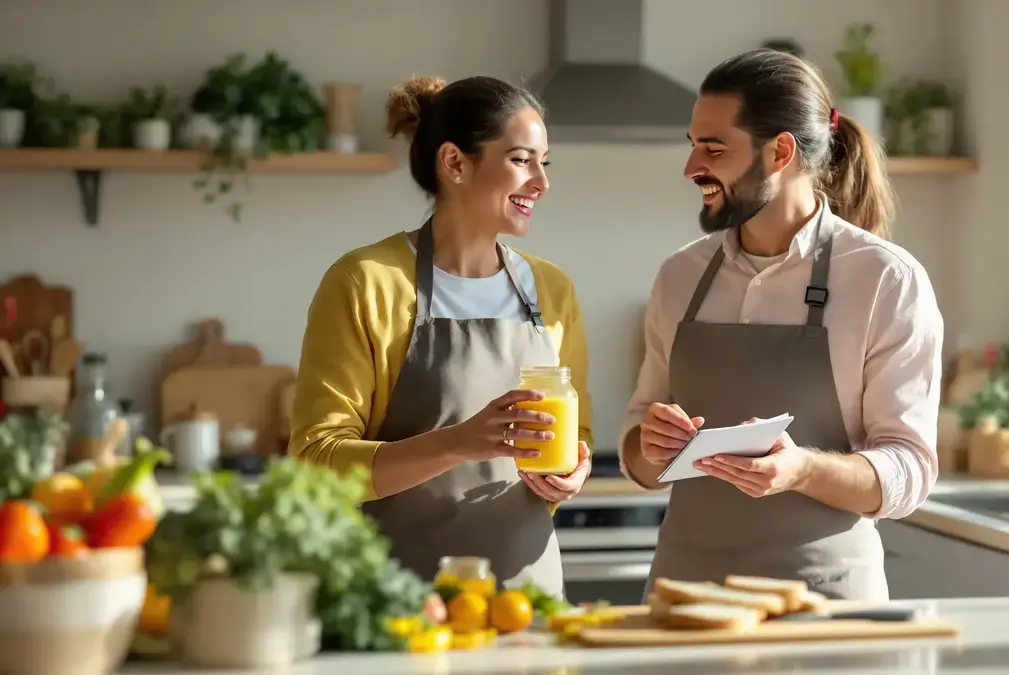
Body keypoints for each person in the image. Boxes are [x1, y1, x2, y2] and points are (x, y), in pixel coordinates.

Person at [620, 49, 944, 602]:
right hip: (682, 603)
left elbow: (910, 468)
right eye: (693, 144)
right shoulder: (681, 276)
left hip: (823, 607)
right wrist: (648, 446)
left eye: (713, 148)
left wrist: (803, 471)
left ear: (780, 152)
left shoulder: (884, 280)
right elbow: (638, 451)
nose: (692, 166)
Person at [289, 74, 594, 599]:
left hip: (528, 602)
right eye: (522, 160)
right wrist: (456, 442)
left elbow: (577, 431)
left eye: (545, 163)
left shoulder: (552, 289)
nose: (541, 182)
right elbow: (317, 461)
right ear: (454, 163)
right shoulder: (366, 282)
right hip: (398, 602)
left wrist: (572, 470)